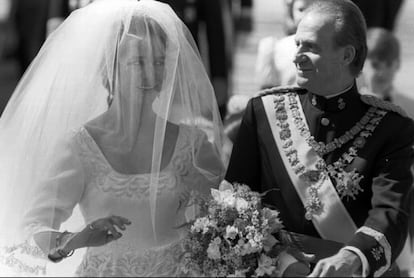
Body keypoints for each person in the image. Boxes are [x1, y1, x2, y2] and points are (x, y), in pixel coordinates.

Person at [0, 0, 225, 276]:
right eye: (138, 61)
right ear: (110, 67)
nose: (152, 73)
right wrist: (76, 238)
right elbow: (31, 229)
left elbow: (225, 210)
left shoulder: (192, 143)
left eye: (159, 61)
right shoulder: (80, 147)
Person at [225, 0, 414, 276]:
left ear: (347, 55)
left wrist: (352, 258)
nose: (297, 55)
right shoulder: (262, 112)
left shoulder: (391, 128)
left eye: (310, 47)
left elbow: (391, 213)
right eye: (298, 44)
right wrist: (285, 263)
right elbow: (236, 200)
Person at [255, 0, 315, 89]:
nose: (306, 14)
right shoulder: (275, 47)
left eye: (312, 9)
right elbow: (266, 90)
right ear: (291, 13)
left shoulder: (330, 44)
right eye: (301, 10)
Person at [358, 27, 414, 119]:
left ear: (398, 64)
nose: (382, 73)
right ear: (362, 65)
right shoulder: (350, 106)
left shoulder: (410, 109)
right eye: (375, 65)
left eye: (389, 64)